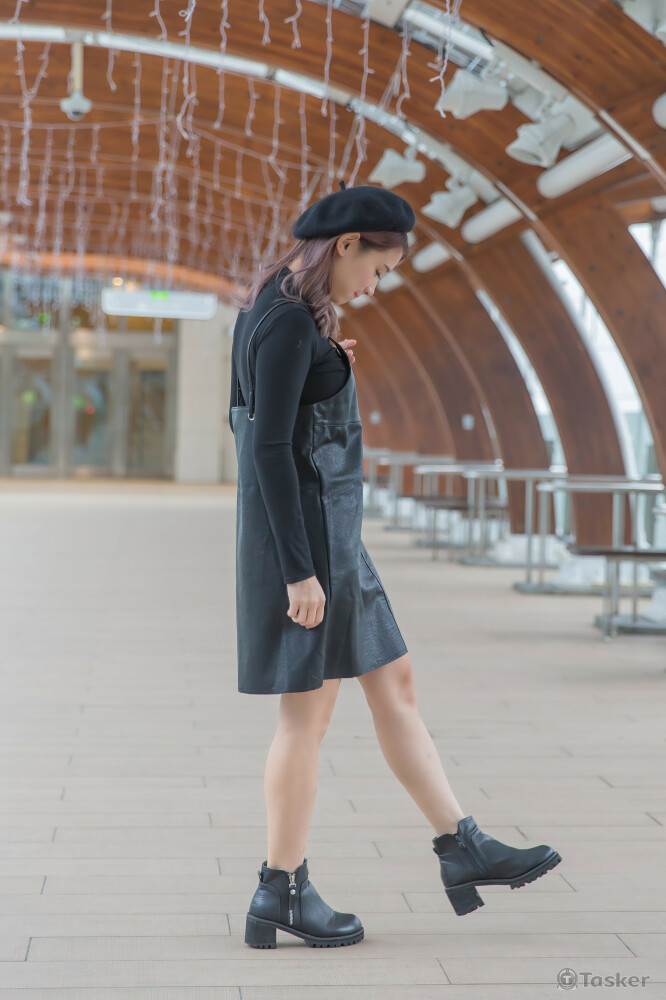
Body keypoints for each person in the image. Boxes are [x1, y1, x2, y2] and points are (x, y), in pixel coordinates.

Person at [229, 182, 562, 949]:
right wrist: (299, 572)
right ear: (347, 244)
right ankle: (281, 888)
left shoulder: (276, 307)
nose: (376, 286)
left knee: (396, 682)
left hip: (333, 541)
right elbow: (267, 448)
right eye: (377, 268)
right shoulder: (287, 320)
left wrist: (323, 365)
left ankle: (461, 845)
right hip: (311, 549)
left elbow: (264, 415)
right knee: (305, 719)